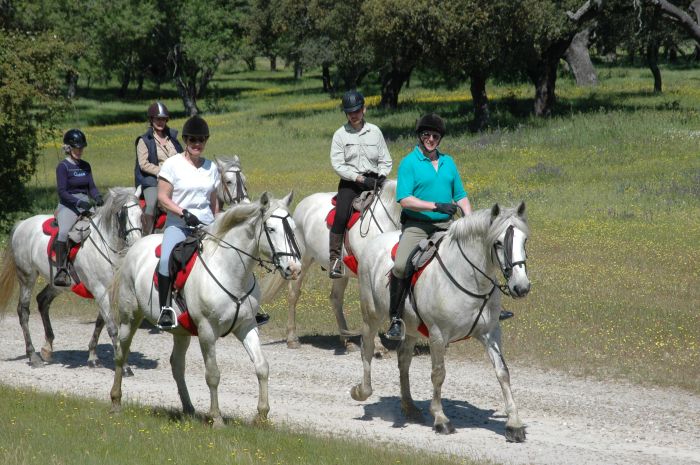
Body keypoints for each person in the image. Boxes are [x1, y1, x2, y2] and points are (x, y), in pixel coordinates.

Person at [386, 113, 472, 340]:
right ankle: (395, 318)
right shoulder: (409, 163)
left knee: (475, 254)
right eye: (426, 135)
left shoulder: (448, 162)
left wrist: (469, 219)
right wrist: (436, 205)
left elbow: (461, 195)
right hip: (418, 225)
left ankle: (480, 310)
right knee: (402, 265)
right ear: (419, 136)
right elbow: (405, 199)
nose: (430, 139)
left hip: (446, 224)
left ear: (440, 138)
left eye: (435, 135)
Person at [155, 115, 219, 329]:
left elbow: (213, 202)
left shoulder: (211, 167)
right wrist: (183, 213)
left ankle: (248, 306)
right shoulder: (172, 165)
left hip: (206, 225)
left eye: (201, 140)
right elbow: (163, 198)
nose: (197, 144)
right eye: (192, 140)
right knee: (165, 260)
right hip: (179, 225)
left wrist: (219, 222)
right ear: (185, 140)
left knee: (235, 251)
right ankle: (166, 308)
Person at [328, 90, 392, 278]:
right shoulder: (340, 135)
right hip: (351, 182)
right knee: (340, 215)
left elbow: (385, 159)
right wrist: (360, 178)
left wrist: (381, 175)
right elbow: (337, 164)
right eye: (350, 112)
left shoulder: (375, 132)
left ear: (364, 109)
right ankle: (335, 261)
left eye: (357, 110)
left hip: (376, 180)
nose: (354, 115)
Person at [53, 129, 104, 287]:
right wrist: (78, 202)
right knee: (62, 233)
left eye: (82, 148)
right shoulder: (63, 167)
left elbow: (92, 187)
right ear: (68, 148)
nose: (80, 151)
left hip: (86, 204)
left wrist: (98, 198)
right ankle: (61, 270)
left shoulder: (86, 166)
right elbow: (62, 192)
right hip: (68, 205)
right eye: (77, 148)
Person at [134, 101, 183, 235]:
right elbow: (143, 164)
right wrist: (162, 172)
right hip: (152, 181)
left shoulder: (172, 138)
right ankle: (146, 236)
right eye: (157, 119)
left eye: (163, 119)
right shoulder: (144, 140)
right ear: (151, 120)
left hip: (175, 179)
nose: (160, 122)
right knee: (151, 205)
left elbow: (181, 156)